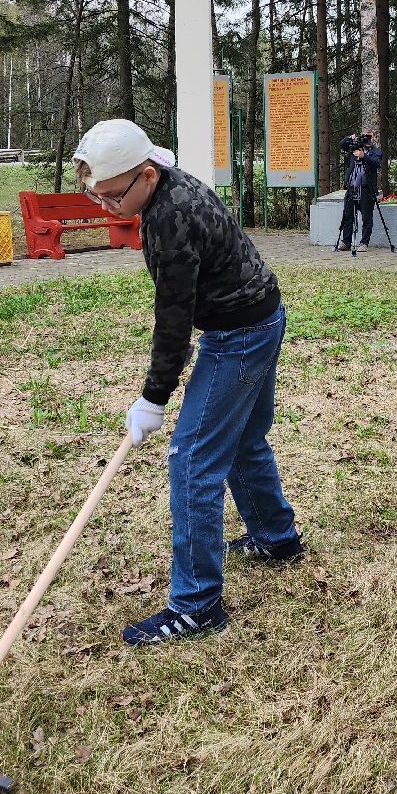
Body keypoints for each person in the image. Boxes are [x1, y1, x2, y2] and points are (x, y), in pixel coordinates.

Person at [71, 119, 304, 645]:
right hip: (262, 315)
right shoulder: (169, 185)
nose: (105, 207)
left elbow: (173, 317)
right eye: (96, 196)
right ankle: (275, 537)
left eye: (111, 196)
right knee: (243, 437)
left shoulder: (167, 220)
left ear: (146, 175)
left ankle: (197, 605)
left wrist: (154, 398)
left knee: (192, 459)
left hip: (240, 333)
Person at [339, 129, 383, 252]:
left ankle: (364, 243)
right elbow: (341, 145)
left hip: (366, 189)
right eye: (365, 136)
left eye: (369, 137)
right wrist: (350, 137)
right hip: (352, 188)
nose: (367, 139)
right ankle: (346, 242)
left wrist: (364, 156)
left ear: (373, 138)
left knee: (367, 217)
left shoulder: (376, 151)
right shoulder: (354, 148)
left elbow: (377, 163)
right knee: (347, 216)